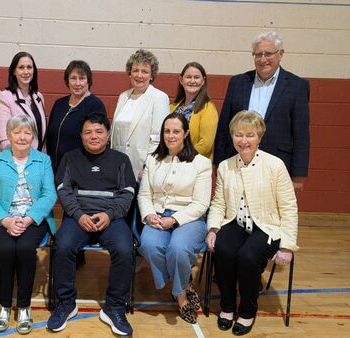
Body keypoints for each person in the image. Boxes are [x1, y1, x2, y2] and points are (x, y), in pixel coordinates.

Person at [206, 111, 298, 336]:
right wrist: (213, 228)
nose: (244, 140)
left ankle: (247, 311)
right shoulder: (227, 166)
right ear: (232, 136)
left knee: (247, 257)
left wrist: (286, 245)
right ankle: (228, 306)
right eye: (238, 135)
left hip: (266, 226)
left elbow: (288, 207)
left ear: (260, 137)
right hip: (235, 223)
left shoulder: (275, 165)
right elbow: (218, 202)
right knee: (224, 250)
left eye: (250, 135)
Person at [47, 112, 136, 336]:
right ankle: (66, 303)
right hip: (79, 217)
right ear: (81, 135)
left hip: (111, 218)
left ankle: (114, 307)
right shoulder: (70, 158)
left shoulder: (121, 160)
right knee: (62, 246)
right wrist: (78, 215)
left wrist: (109, 214)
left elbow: (127, 194)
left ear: (108, 135)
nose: (93, 136)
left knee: (125, 250)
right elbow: (63, 191)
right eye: (88, 132)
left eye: (99, 131)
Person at [0, 115, 57, 334]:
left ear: (33, 136)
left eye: (27, 132)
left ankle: (23, 306)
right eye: (17, 132)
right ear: (9, 135)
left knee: (24, 249)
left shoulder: (44, 160)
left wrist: (29, 218)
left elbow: (49, 194)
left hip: (32, 218)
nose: (22, 137)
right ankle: (4, 305)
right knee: (4, 249)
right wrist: (5, 220)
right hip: (1, 217)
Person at [137, 112, 212, 324]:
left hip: (189, 218)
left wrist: (175, 220)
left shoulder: (201, 163)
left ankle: (179, 294)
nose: (171, 136)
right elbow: (144, 194)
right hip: (158, 215)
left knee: (178, 249)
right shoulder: (153, 159)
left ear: (186, 133)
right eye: (167, 131)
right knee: (149, 246)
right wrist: (149, 214)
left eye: (176, 131)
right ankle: (184, 281)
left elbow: (201, 204)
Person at [213, 31, 310, 193]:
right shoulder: (238, 82)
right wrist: (218, 162)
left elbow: (301, 134)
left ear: (281, 54)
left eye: (268, 54)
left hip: (276, 163)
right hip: (236, 159)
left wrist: (298, 176)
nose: (263, 59)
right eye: (258, 54)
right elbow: (224, 125)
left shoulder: (297, 86)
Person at [111, 48, 170, 180]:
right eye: (135, 70)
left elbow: (158, 137)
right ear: (129, 73)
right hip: (118, 167)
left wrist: (148, 166)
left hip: (142, 169)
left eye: (144, 71)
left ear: (151, 75)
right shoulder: (123, 96)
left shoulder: (159, 98)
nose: (139, 75)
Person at [45, 60, 107, 173]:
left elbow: (98, 142)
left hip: (79, 172)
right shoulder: (59, 104)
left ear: (89, 81)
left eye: (82, 78)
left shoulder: (95, 105)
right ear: (67, 81)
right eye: (73, 78)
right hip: (53, 170)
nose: (77, 83)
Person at [0, 52, 47, 152]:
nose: (26, 72)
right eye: (21, 67)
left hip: (38, 161)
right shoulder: (3, 98)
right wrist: (26, 160)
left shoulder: (39, 97)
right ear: (14, 71)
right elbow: (4, 140)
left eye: (29, 67)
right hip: (13, 161)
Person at [169, 62, 218, 160]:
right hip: (171, 161)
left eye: (196, 77)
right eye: (188, 77)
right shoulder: (172, 107)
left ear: (203, 81)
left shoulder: (208, 108)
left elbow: (205, 144)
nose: (192, 81)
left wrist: (181, 157)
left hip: (194, 163)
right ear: (181, 80)